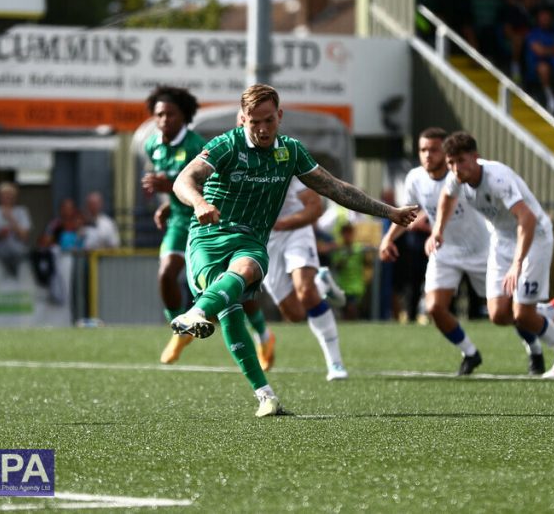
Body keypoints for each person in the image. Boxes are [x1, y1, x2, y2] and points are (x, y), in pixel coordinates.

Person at [169, 84, 419, 417]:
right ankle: (265, 396)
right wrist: (199, 201)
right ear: (242, 119)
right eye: (254, 121)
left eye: (268, 120)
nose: (261, 129)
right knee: (234, 315)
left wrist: (390, 211)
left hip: (252, 241)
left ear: (280, 116)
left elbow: (335, 188)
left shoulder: (290, 151)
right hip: (208, 238)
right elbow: (183, 180)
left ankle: (198, 312)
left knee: (245, 271)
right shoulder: (225, 146)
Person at [427, 132, 554, 378]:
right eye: (451, 163)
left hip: (534, 237)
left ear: (476, 157)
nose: (455, 168)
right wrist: (438, 230)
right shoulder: (456, 179)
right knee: (498, 315)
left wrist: (518, 263)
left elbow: (527, 218)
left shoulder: (497, 178)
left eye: (461, 161)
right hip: (502, 239)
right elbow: (446, 197)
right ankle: (549, 311)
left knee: (523, 314)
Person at [379, 128, 491, 375]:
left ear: (446, 151)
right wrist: (388, 239)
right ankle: (470, 353)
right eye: (423, 150)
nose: (428, 155)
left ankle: (535, 346)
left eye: (434, 149)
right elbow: (408, 215)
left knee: (503, 312)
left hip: (480, 249)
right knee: (434, 307)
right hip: (444, 250)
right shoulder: (415, 178)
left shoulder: (463, 174)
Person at [258, 172, 348, 381]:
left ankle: (335, 363)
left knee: (306, 292)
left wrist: (281, 224)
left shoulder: (285, 161)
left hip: (295, 230)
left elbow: (315, 207)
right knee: (295, 314)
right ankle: (321, 284)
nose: (263, 136)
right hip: (264, 241)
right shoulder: (235, 159)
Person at [141, 86, 207, 365]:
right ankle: (179, 328)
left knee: (211, 285)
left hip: (205, 218)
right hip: (180, 220)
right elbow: (174, 188)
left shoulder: (195, 146)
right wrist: (167, 204)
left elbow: (207, 185)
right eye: (159, 114)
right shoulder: (152, 145)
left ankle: (261, 333)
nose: (164, 119)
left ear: (184, 116)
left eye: (170, 114)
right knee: (166, 273)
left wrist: (168, 187)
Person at [0, 181, 32, 275]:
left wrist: (11, 220)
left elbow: (25, 237)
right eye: (5, 194)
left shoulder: (22, 211)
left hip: (19, 257)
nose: (8, 197)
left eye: (10, 195)